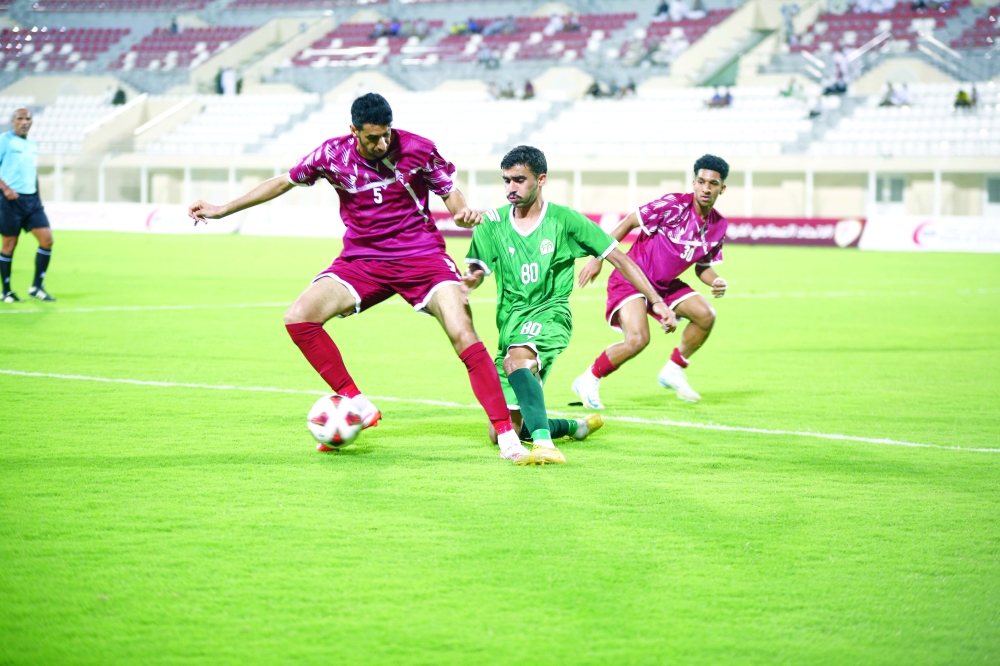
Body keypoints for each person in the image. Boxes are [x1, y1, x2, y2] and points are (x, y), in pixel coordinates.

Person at [187, 94, 530, 462]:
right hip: (362, 259)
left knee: (463, 331)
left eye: (386, 135)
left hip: (421, 256)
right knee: (298, 317)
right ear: (353, 131)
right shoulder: (331, 155)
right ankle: (357, 403)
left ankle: (508, 438)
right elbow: (283, 182)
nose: (381, 144)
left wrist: (462, 213)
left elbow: (451, 195)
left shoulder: (418, 149)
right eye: (372, 138)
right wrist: (223, 209)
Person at [462, 146, 675, 465]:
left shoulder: (565, 221)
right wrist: (469, 280)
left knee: (518, 359)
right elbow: (476, 271)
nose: (511, 187)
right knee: (505, 433)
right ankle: (574, 427)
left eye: (519, 179)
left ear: (541, 179)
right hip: (509, 323)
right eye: (506, 180)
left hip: (550, 315)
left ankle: (546, 445)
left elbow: (618, 257)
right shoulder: (491, 223)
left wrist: (657, 301)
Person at [572, 154, 731, 408]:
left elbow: (703, 268)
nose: (705, 188)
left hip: (665, 285)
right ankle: (588, 378)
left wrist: (715, 280)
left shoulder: (718, 225)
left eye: (712, 183)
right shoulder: (673, 206)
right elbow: (629, 222)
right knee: (638, 340)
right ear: (694, 183)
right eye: (701, 181)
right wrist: (599, 257)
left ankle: (674, 369)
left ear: (722, 188)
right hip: (631, 279)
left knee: (705, 315)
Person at [0, 108, 55, 303]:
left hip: (32, 201)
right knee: (9, 244)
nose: (24, 121)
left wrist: (38, 199)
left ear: (32, 122)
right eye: (20, 118)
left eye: (28, 119)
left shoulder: (32, 145)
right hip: (10, 200)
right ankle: (6, 290)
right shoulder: (4, 140)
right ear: (13, 121)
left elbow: (33, 172)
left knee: (47, 239)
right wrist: (5, 189)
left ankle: (36, 287)